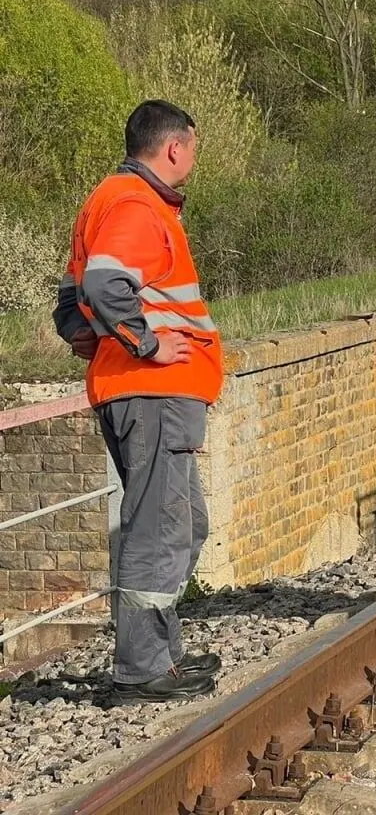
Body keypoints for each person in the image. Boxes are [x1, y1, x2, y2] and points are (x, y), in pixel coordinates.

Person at [52, 100, 225, 701]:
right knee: (159, 529)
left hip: (142, 394)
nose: (193, 160)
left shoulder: (106, 200)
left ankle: (162, 654)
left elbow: (72, 300)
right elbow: (103, 286)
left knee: (183, 524)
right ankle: (142, 667)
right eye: (193, 149)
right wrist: (144, 345)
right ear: (174, 148)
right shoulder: (138, 205)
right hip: (153, 393)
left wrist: (94, 337)